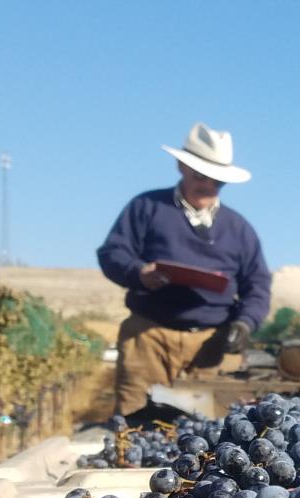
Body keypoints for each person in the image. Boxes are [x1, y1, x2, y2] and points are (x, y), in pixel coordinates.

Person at [97, 122, 271, 419]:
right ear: (181, 166)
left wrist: (244, 323)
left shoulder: (240, 229)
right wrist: (139, 273)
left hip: (212, 346)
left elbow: (258, 284)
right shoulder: (146, 207)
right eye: (200, 176)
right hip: (148, 339)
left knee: (214, 442)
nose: (207, 186)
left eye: (217, 181)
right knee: (138, 425)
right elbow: (113, 253)